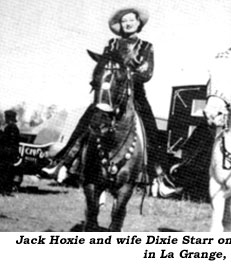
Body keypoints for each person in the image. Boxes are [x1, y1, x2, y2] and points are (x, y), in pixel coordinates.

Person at [43, 7, 180, 196]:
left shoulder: (147, 46)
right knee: (87, 119)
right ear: (120, 25)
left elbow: (147, 72)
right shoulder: (112, 44)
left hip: (135, 94)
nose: (128, 23)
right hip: (110, 92)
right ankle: (62, 162)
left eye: (132, 20)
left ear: (138, 23)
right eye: (124, 21)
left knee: (151, 129)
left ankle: (159, 177)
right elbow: (103, 65)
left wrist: (126, 74)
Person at [0, 110, 20, 195]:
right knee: (8, 172)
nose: (5, 119)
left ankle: (5, 189)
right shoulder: (14, 128)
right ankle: (6, 189)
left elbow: (5, 140)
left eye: (6, 117)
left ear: (9, 118)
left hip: (7, 153)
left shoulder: (10, 128)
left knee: (5, 172)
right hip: (11, 153)